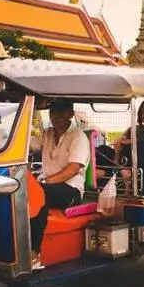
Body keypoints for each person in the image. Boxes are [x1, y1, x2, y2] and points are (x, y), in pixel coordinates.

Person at [29, 98, 90, 270]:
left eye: (62, 112)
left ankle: (35, 252)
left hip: (71, 190)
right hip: (51, 186)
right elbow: (31, 145)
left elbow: (72, 169)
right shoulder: (47, 134)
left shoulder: (78, 136)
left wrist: (44, 182)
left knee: (38, 194)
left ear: (71, 114)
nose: (57, 116)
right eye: (53, 112)